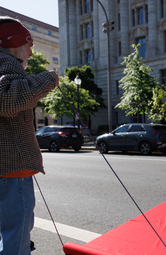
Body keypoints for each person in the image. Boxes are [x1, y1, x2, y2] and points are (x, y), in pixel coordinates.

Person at [0, 16, 59, 254]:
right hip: (12, 171)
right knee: (17, 238)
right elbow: (7, 99)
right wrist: (49, 78)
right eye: (29, 46)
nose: (31, 54)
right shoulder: (7, 64)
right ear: (14, 44)